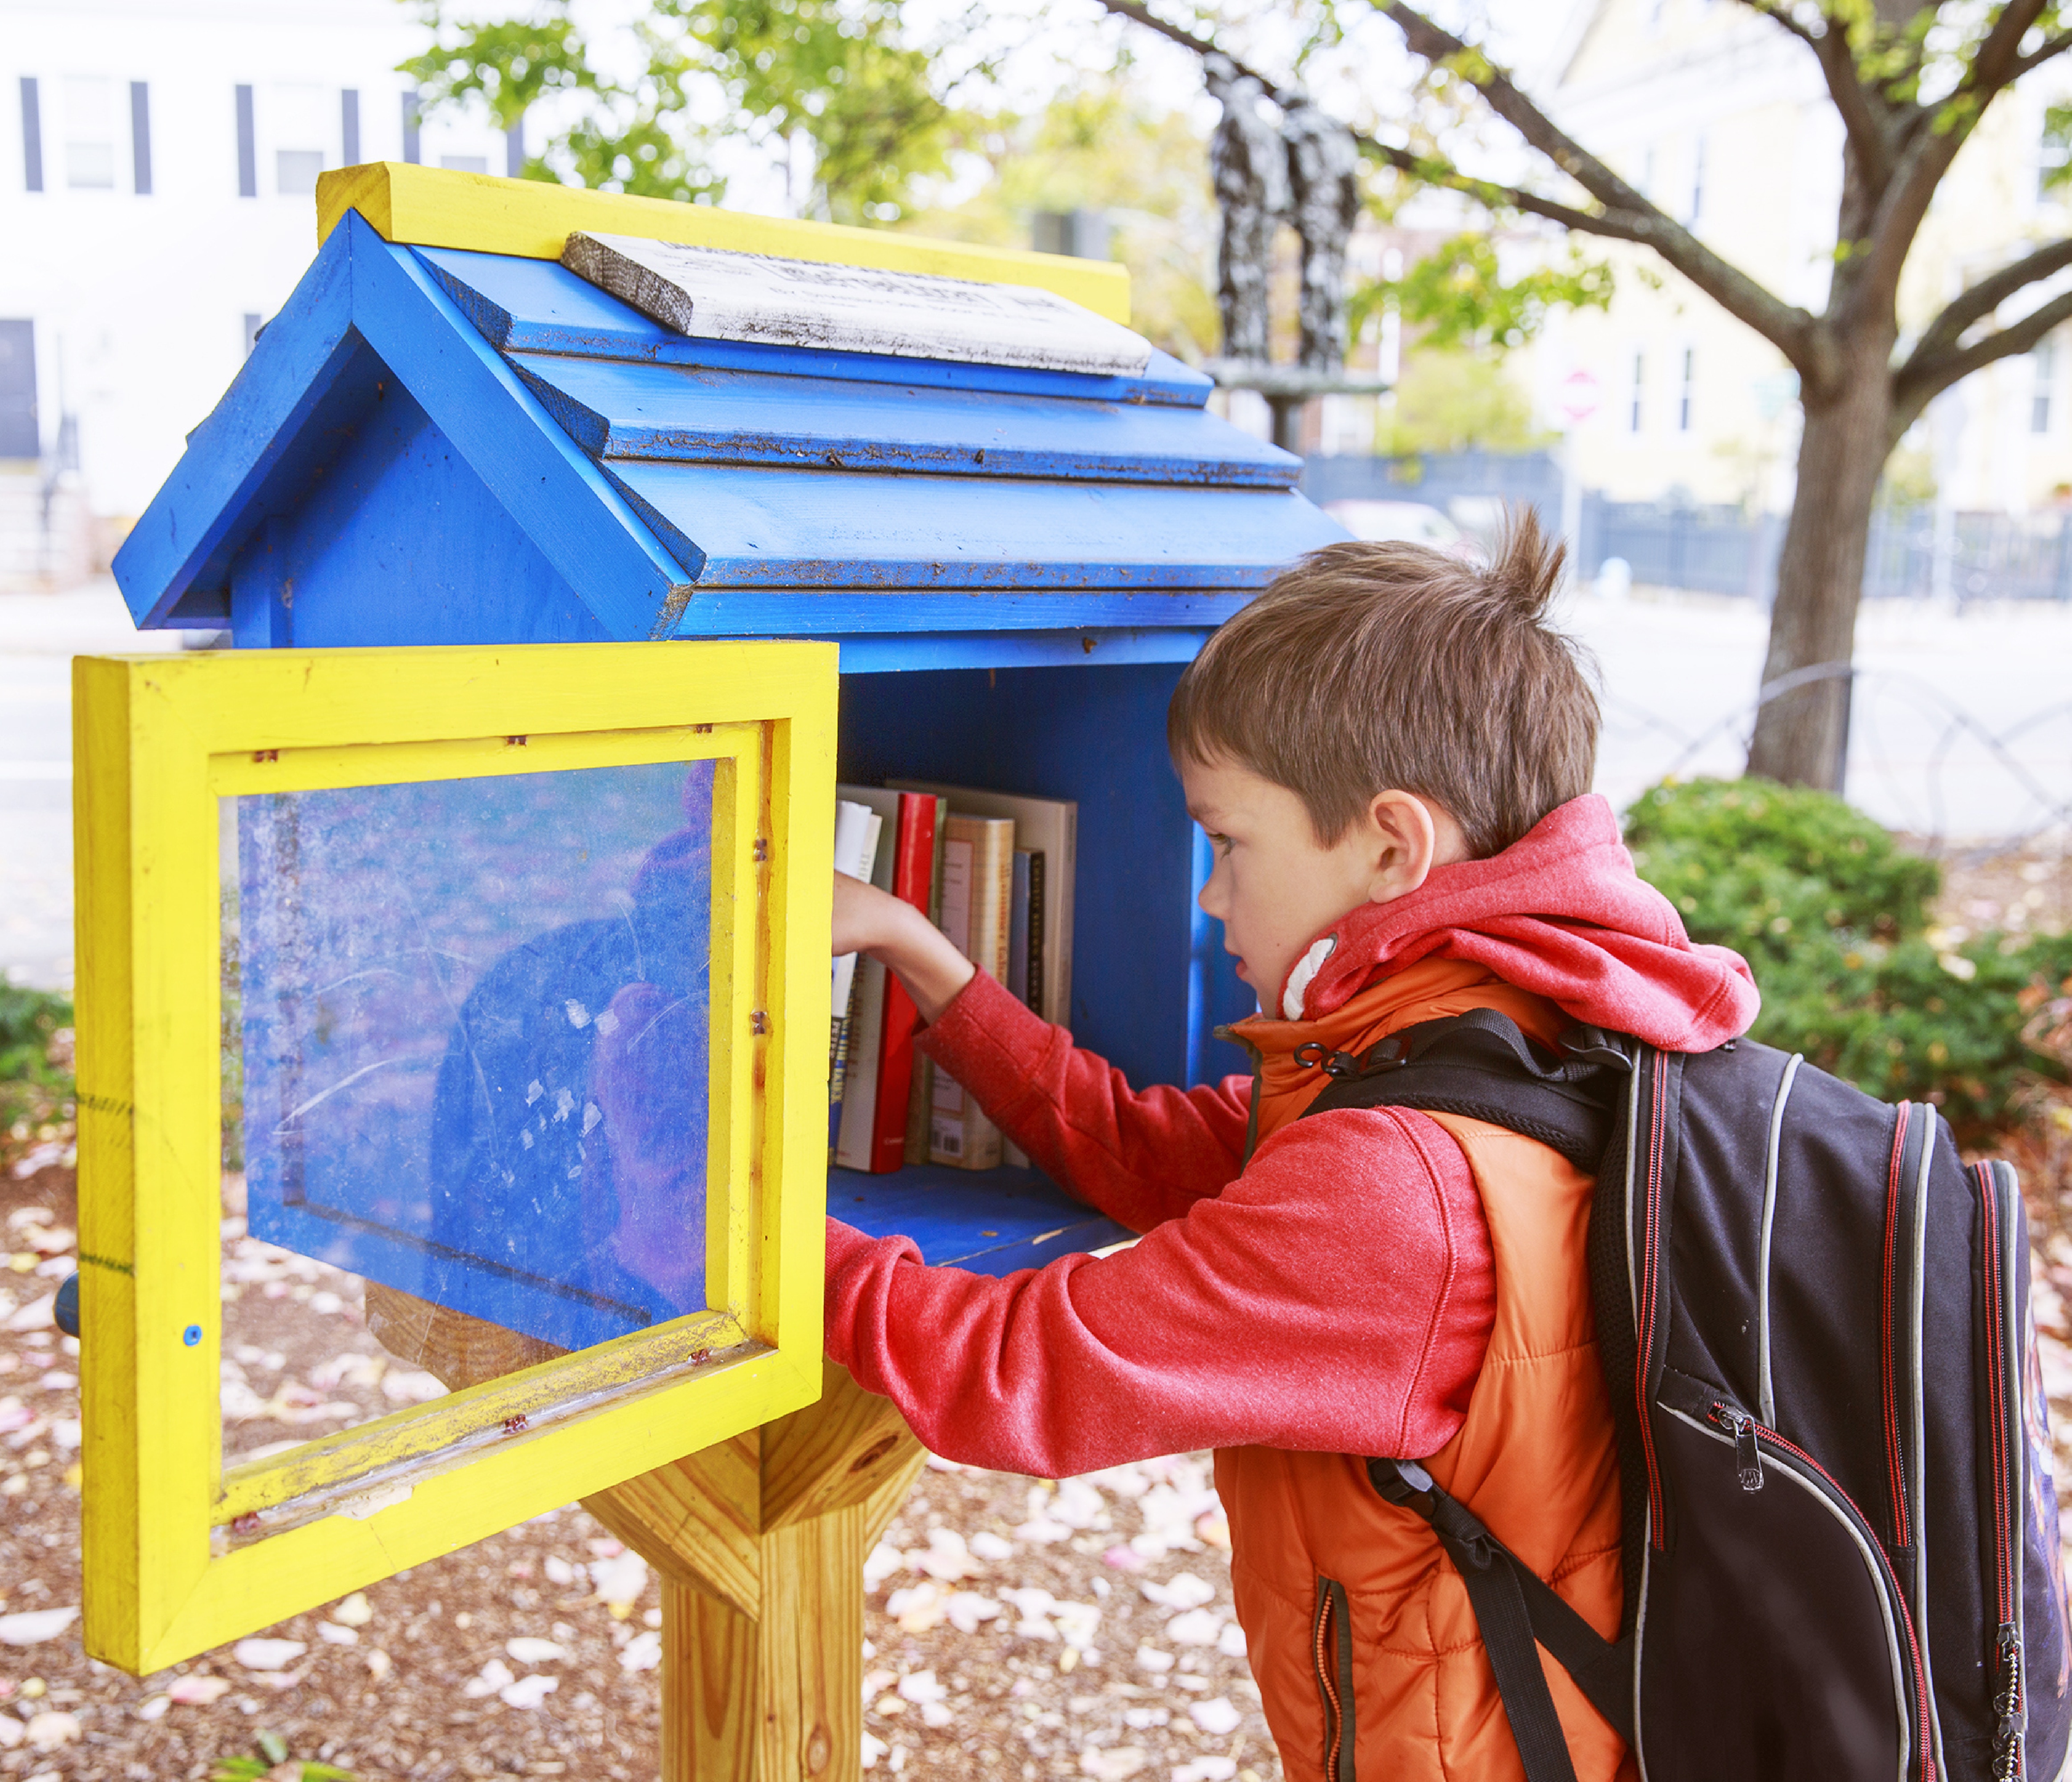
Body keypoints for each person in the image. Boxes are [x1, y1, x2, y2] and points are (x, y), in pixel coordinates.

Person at [824, 514, 1758, 1781]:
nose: (1211, 896)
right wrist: (919, 953)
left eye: (1228, 841)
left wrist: (727, 1211)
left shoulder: (1400, 1186)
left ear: (1391, 845)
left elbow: (1015, 1365)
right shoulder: (1527, 1018)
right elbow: (1157, 1154)